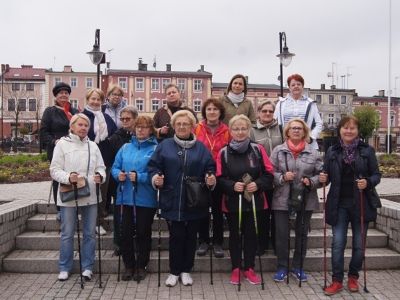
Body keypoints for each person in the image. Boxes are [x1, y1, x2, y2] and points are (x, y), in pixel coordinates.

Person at [149, 110, 216, 287]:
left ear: (192, 126)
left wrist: (211, 178)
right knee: (176, 236)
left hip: (194, 199)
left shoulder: (201, 147)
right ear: (173, 126)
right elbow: (154, 166)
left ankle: (186, 270)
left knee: (191, 236)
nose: (181, 126)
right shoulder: (165, 145)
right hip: (172, 198)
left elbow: (210, 167)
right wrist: (156, 177)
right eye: (178, 124)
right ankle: (174, 271)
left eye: (185, 124)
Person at [320, 116, 381, 296]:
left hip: (361, 203)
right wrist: (324, 178)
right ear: (340, 130)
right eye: (345, 128)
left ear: (357, 131)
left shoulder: (367, 151)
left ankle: (353, 276)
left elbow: (377, 175)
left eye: (352, 128)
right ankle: (337, 280)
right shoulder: (332, 151)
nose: (349, 131)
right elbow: (327, 175)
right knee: (338, 243)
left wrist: (368, 182)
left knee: (359, 245)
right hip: (338, 204)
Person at [216, 114, 274, 285]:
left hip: (255, 201)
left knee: (251, 235)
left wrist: (258, 184)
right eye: (236, 128)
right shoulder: (224, 152)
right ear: (230, 131)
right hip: (233, 202)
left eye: (243, 128)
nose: (240, 132)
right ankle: (236, 268)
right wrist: (232, 185)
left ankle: (249, 267)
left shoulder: (258, 149)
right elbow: (219, 179)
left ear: (248, 130)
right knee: (235, 235)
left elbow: (269, 174)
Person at [49, 113, 106, 282]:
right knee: (67, 233)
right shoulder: (62, 145)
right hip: (69, 192)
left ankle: (87, 267)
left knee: (89, 233)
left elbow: (101, 167)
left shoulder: (93, 146)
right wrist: (68, 178)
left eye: (86, 125)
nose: (83, 128)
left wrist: (100, 176)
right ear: (72, 126)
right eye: (80, 125)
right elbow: (54, 170)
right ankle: (64, 267)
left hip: (91, 194)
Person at [270, 118, 323, 282]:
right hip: (281, 199)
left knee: (301, 234)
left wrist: (312, 181)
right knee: (281, 235)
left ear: (304, 131)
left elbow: (322, 176)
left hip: (305, 200)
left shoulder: (313, 152)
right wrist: (282, 177)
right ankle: (282, 267)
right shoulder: (278, 151)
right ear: (287, 131)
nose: (296, 130)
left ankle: (298, 266)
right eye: (293, 128)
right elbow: (269, 173)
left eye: (299, 128)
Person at [111, 116, 158, 281]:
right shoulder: (125, 147)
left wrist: (141, 177)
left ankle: (141, 265)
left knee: (143, 233)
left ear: (151, 130)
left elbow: (157, 173)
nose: (140, 130)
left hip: (145, 199)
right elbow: (115, 167)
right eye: (138, 127)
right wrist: (119, 175)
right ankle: (129, 265)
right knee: (125, 234)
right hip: (124, 198)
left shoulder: (155, 149)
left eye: (144, 127)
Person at [194, 98, 231, 258]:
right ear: (205, 112)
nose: (212, 112)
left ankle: (217, 242)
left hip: (220, 174)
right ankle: (203, 240)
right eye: (209, 109)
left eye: (215, 109)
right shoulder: (197, 128)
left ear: (220, 112)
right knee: (202, 208)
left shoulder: (227, 130)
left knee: (217, 210)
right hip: (201, 174)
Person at [40, 82, 78, 220]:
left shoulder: (73, 112)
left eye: (66, 93)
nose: (64, 95)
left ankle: (73, 204)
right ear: (56, 96)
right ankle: (60, 209)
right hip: (56, 149)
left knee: (73, 177)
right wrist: (54, 141)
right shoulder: (50, 111)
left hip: (73, 150)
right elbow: (44, 131)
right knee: (59, 178)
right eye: (61, 93)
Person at [250, 100, 283, 254]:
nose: (268, 114)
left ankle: (278, 244)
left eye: (270, 111)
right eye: (264, 111)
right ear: (259, 113)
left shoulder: (281, 129)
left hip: (278, 177)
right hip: (261, 178)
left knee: (277, 214)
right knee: (262, 214)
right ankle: (261, 244)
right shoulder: (252, 130)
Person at [82, 88, 117, 235]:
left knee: (102, 192)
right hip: (87, 159)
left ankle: (99, 220)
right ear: (88, 99)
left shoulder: (106, 117)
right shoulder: (82, 117)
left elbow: (115, 134)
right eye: (93, 99)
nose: (96, 102)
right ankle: (89, 222)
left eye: (99, 99)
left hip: (105, 160)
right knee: (88, 191)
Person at [108, 105, 138, 254]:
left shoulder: (141, 135)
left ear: (135, 119)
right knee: (119, 215)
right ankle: (118, 242)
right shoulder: (115, 137)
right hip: (119, 182)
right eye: (123, 119)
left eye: (128, 119)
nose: (125, 121)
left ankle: (136, 241)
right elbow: (111, 162)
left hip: (137, 182)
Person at [274, 74, 323, 149]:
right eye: (293, 85)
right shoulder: (281, 103)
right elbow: (275, 122)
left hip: (306, 145)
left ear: (302, 86)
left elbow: (319, 123)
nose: (296, 86)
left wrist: (311, 137)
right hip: (286, 144)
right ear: (289, 88)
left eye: (299, 84)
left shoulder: (311, 103)